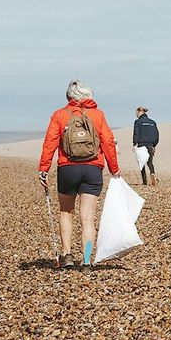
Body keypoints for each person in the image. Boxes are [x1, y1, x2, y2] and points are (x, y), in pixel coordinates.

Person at [39, 80, 120, 271]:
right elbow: (108, 141)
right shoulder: (98, 115)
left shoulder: (59, 115)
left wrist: (43, 168)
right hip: (92, 169)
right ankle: (85, 260)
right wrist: (114, 168)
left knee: (66, 212)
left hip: (67, 169)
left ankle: (67, 255)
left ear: (69, 97)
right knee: (88, 218)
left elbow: (49, 143)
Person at [133, 106, 160, 186]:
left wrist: (135, 144)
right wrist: (154, 144)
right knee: (150, 162)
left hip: (141, 144)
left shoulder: (137, 122)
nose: (136, 115)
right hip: (151, 144)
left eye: (136, 114)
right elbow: (156, 134)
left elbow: (136, 133)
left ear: (139, 112)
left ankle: (145, 182)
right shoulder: (153, 122)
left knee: (142, 163)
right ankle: (152, 173)